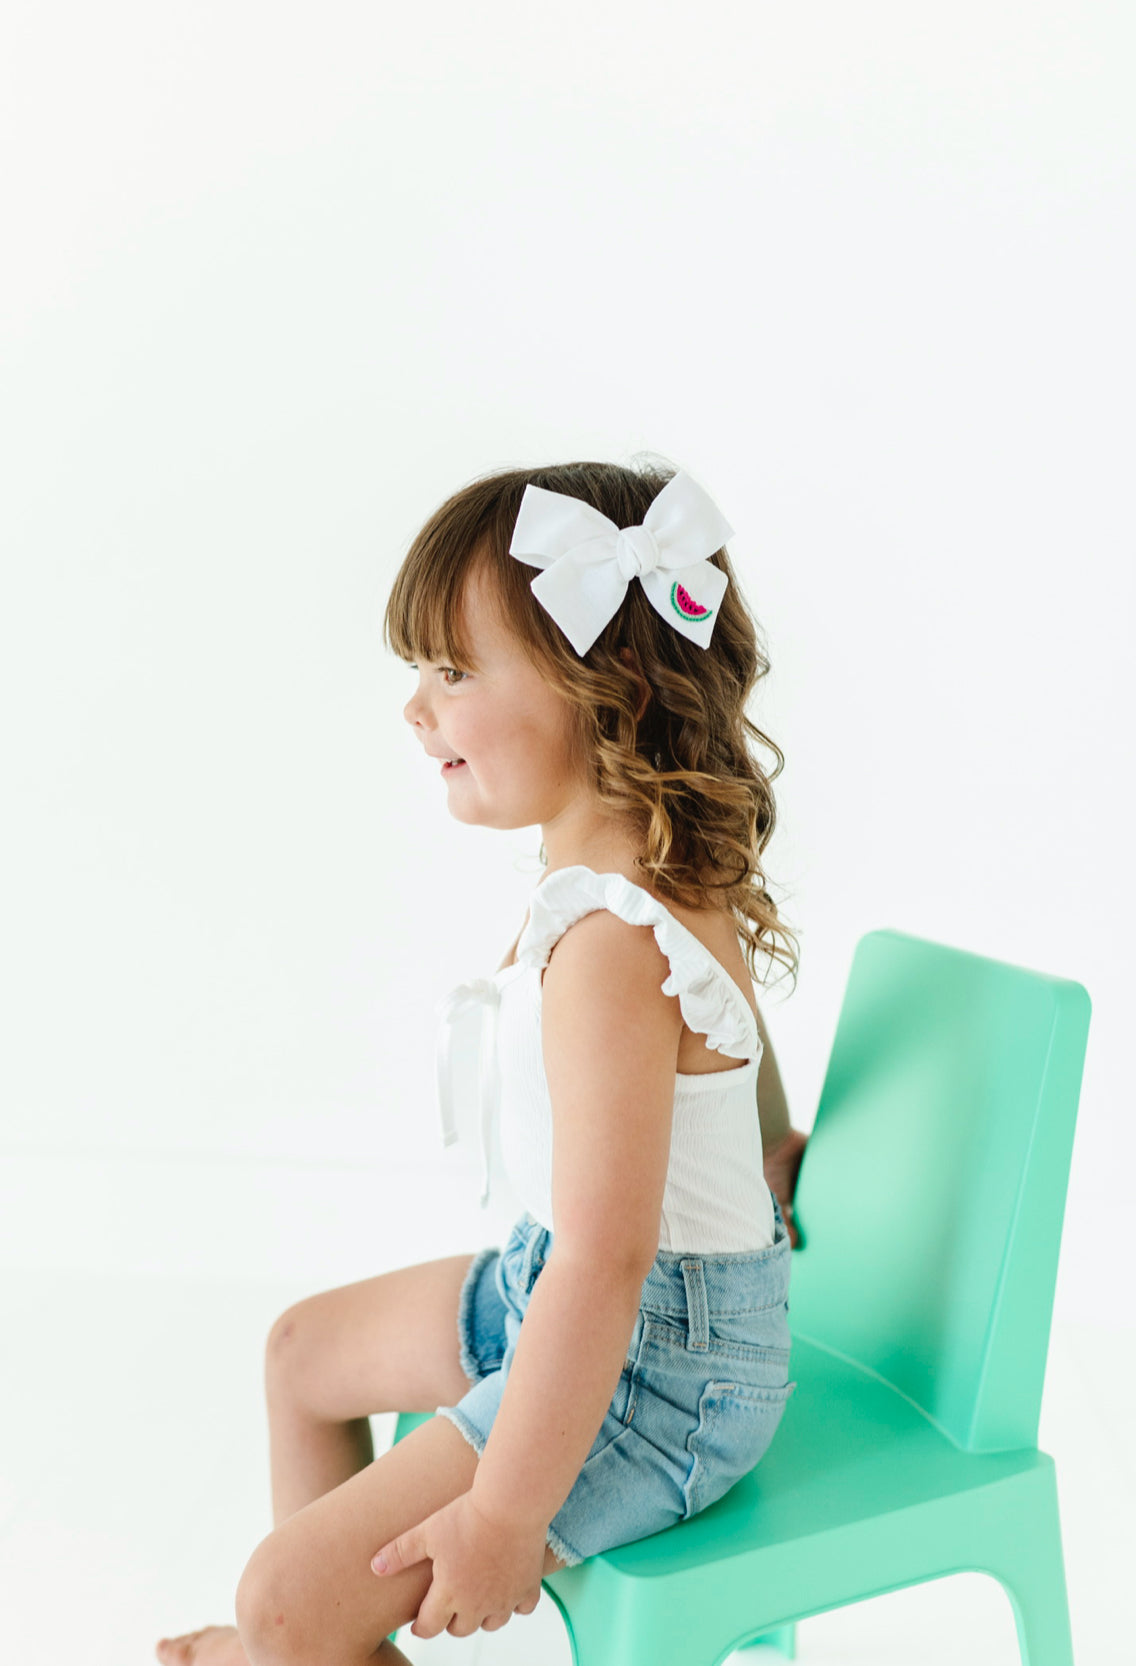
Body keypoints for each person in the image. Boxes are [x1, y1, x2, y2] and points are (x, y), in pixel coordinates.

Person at [156, 459, 809, 1666]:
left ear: (600, 683)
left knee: (281, 1598)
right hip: (566, 1286)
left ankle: (294, 1641)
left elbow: (611, 1265)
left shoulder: (614, 938)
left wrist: (507, 1514)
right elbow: (720, 1066)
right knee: (304, 1355)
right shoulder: (626, 879)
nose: (416, 708)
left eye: (451, 672)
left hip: (654, 1367)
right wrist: (767, 1158)